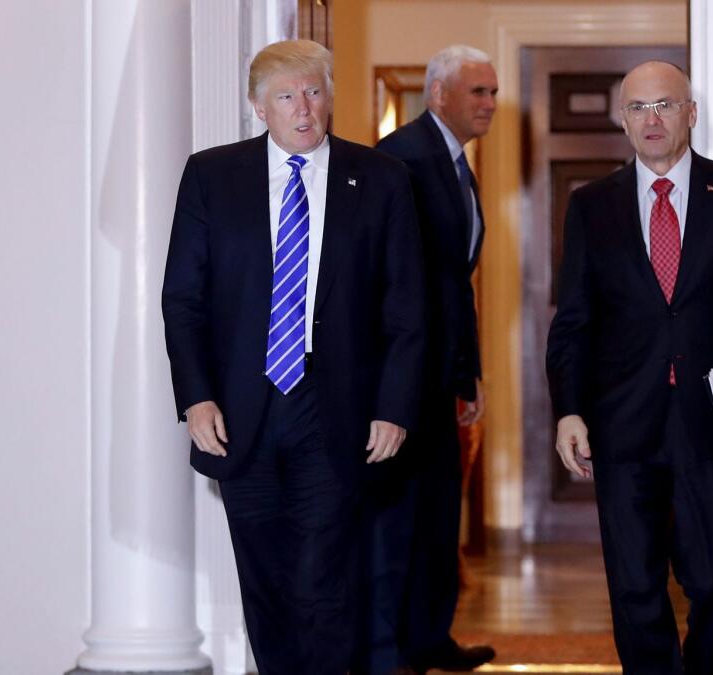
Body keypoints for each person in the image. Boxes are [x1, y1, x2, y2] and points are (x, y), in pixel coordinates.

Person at [162, 39, 425, 674]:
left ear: (329, 96)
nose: (304, 109)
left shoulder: (382, 179)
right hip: (241, 411)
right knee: (267, 583)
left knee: (325, 582)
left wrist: (393, 407)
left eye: (313, 92)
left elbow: (407, 307)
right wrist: (196, 397)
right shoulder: (211, 175)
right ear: (259, 107)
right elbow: (183, 298)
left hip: (336, 410)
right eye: (286, 96)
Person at [545, 61, 713, 673]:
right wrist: (569, 410)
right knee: (634, 587)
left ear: (691, 112)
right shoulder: (592, 206)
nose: (651, 119)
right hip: (621, 423)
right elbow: (572, 320)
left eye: (664, 105)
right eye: (638, 108)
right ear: (622, 119)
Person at [359, 45, 498, 674]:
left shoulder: (455, 162)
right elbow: (389, 284)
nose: (490, 104)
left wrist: (466, 376)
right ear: (438, 94)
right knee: (397, 519)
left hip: (440, 374)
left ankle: (428, 639)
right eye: (479, 92)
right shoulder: (400, 158)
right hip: (398, 377)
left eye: (493, 92)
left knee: (442, 515)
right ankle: (389, 653)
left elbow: (452, 282)